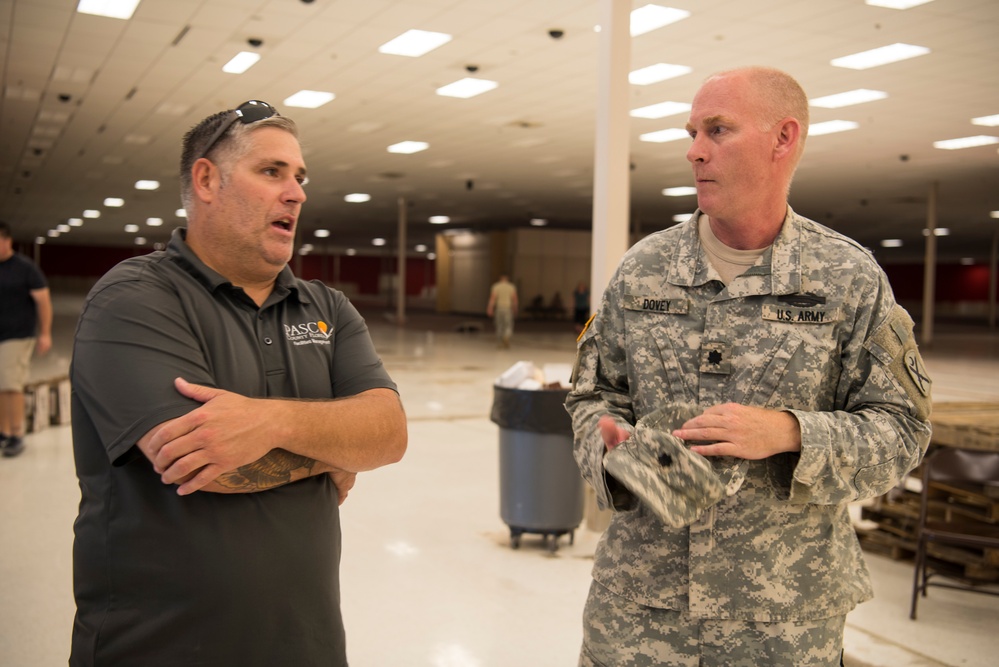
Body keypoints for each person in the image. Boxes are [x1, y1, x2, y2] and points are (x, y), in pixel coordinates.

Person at [565, 67, 932, 667]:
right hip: (640, 615)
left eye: (717, 130)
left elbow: (903, 429)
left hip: (782, 622)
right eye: (691, 132)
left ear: (783, 139)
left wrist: (789, 432)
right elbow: (590, 395)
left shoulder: (846, 280)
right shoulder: (644, 270)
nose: (694, 151)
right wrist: (610, 447)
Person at [70, 100, 407, 666]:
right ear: (206, 179)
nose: (296, 193)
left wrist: (270, 421)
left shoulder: (327, 308)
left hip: (308, 646)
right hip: (159, 647)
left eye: (299, 177)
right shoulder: (135, 297)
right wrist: (332, 451)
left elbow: (389, 434)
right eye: (271, 171)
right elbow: (211, 462)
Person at [0, 220, 52, 458]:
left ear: (7, 240)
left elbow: (43, 301)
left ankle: (16, 433)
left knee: (11, 384)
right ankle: (3, 430)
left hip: (18, 335)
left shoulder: (25, 268)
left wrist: (45, 333)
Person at [486, 274, 518, 348]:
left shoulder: (496, 286)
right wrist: (515, 308)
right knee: (508, 325)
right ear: (507, 279)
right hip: (508, 308)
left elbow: (492, 298)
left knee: (499, 325)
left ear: (500, 279)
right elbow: (515, 299)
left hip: (499, 308)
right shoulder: (511, 287)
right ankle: (506, 336)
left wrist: (490, 308)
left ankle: (500, 342)